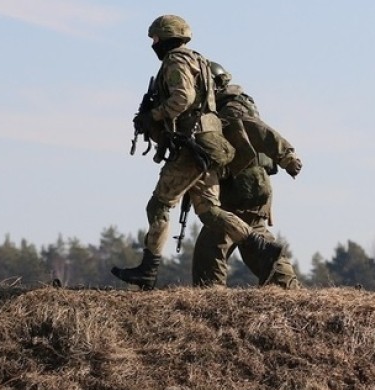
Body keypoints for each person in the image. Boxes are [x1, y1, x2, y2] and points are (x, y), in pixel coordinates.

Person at [111, 15, 285, 290]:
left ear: (166, 37)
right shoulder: (199, 60)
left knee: (158, 205)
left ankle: (148, 269)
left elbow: (183, 98)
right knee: (210, 212)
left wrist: (154, 115)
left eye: (155, 38)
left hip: (193, 147)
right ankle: (260, 247)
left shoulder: (175, 60)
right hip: (210, 146)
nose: (153, 44)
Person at [192, 62, 303, 289]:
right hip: (249, 185)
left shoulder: (231, 109)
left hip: (244, 186)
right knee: (254, 238)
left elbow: (258, 130)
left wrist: (287, 156)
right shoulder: (224, 107)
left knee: (213, 243)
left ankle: (209, 296)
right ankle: (286, 287)